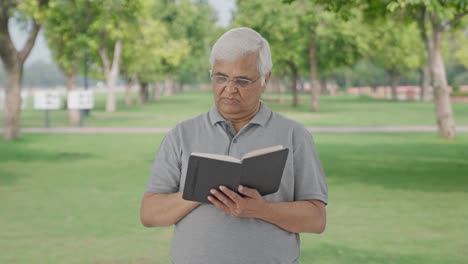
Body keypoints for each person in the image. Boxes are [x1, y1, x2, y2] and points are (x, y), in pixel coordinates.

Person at [140, 27, 328, 264]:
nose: (229, 89)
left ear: (265, 80)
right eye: (221, 77)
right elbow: (149, 214)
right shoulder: (181, 135)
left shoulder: (295, 136)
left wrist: (261, 209)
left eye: (242, 80)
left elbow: (316, 219)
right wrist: (203, 189)